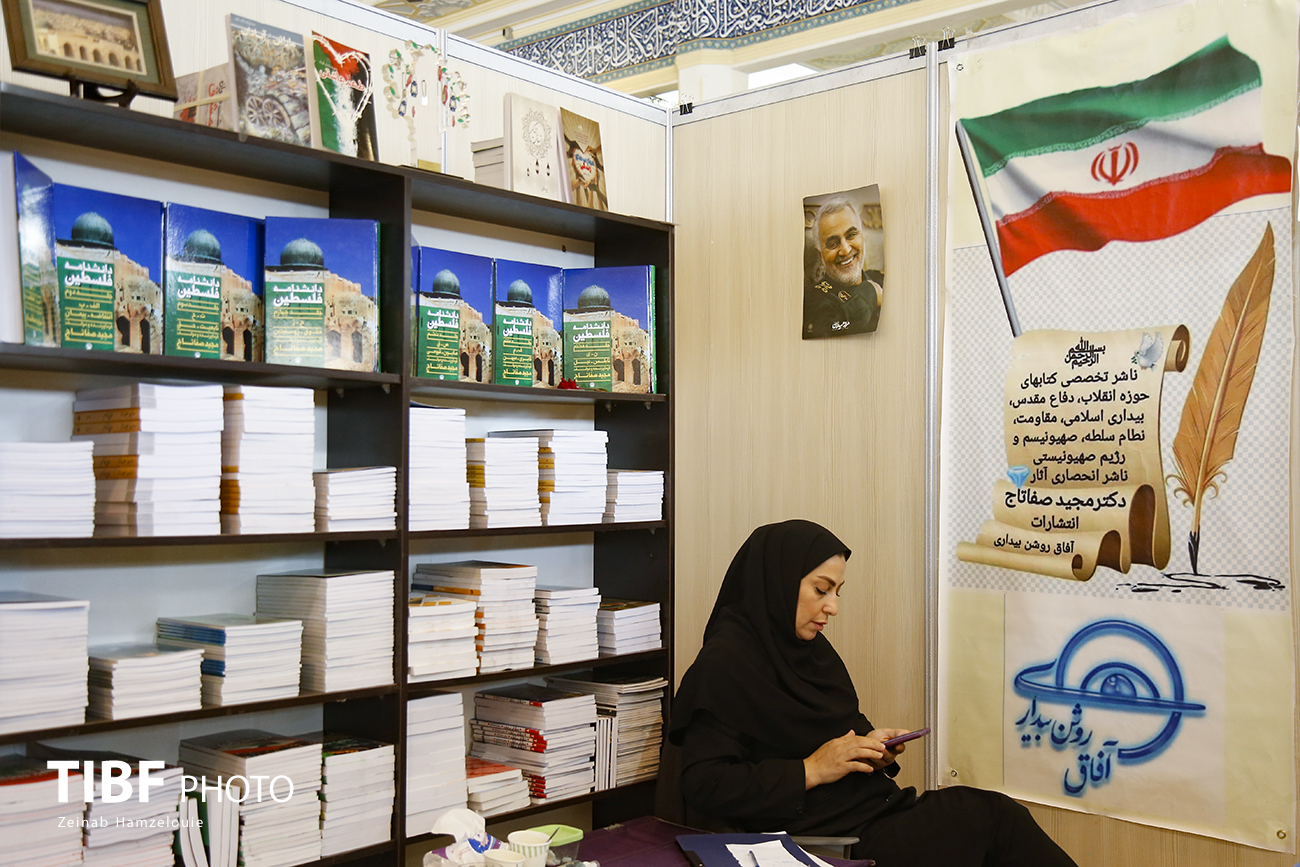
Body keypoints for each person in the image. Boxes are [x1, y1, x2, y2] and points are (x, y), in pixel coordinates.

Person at [668, 520, 1078, 867]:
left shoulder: (811, 653)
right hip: (832, 839)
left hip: (877, 810)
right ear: (778, 583)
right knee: (992, 819)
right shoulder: (725, 665)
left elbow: (843, 726)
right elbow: (705, 783)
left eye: (837, 592)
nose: (833, 607)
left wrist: (872, 746)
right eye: (821, 590)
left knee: (992, 819)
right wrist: (811, 769)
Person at [803, 197, 883, 338]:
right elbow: (828, 330)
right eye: (833, 244)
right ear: (820, 256)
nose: (845, 251)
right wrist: (869, 294)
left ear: (862, 238)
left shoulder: (882, 279)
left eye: (851, 235)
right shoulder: (813, 300)